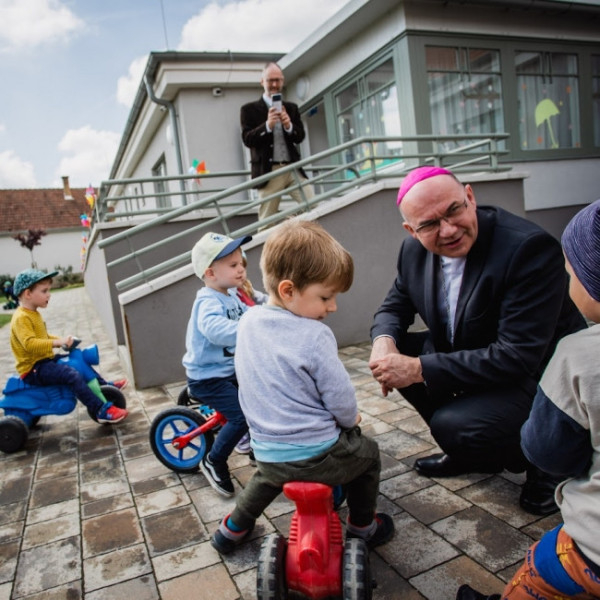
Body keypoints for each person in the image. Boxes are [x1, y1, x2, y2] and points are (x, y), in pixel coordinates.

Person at [369, 166, 586, 516]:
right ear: (412, 230)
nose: (448, 230)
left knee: (454, 423)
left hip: (539, 378)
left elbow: (516, 355)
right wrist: (383, 343)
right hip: (479, 353)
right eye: (429, 224)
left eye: (454, 210)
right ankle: (469, 454)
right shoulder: (412, 251)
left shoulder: (527, 248)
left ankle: (544, 464)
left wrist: (418, 368)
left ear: (470, 197)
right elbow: (394, 306)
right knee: (397, 356)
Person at [210, 220, 394, 554]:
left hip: (266, 448)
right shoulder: (315, 335)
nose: (333, 306)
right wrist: (350, 420)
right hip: (316, 452)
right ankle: (363, 526)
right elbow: (339, 397)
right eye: (326, 296)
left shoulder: (248, 322)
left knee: (265, 480)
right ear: (288, 290)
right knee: (368, 455)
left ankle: (230, 530)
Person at [457, 198, 600, 600]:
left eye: (570, 270)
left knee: (540, 569)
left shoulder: (579, 354)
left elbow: (547, 452)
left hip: (592, 552)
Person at [182, 231, 253, 497]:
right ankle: (214, 460)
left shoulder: (231, 294)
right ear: (210, 273)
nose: (241, 269)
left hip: (228, 371)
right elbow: (214, 329)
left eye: (241, 263)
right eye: (233, 265)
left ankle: (258, 446)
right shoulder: (207, 300)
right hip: (208, 377)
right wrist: (249, 326)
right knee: (240, 416)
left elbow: (251, 312)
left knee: (261, 396)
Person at [9, 268, 128, 424]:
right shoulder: (21, 318)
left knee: (78, 358)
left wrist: (63, 340)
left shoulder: (33, 313)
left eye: (48, 290)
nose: (49, 295)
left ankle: (103, 386)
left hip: (43, 362)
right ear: (28, 294)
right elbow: (29, 344)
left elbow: (43, 338)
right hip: (33, 369)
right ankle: (100, 409)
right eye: (44, 291)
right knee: (71, 374)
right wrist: (58, 342)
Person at [240, 62, 314, 226]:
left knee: (313, 207)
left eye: (278, 80)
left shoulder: (291, 108)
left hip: (292, 167)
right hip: (269, 170)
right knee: (266, 221)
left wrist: (288, 125)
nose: (274, 84)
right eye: (270, 80)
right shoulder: (249, 110)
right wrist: (267, 125)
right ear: (262, 82)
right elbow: (247, 139)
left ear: (283, 81)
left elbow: (300, 136)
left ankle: (307, 236)